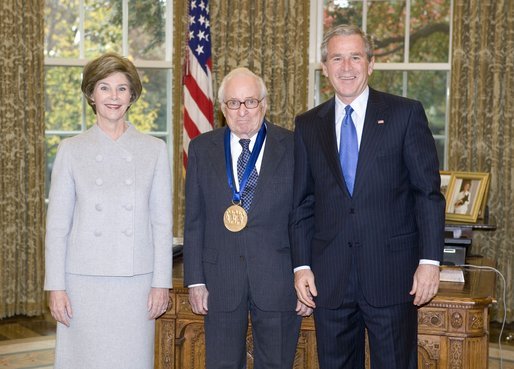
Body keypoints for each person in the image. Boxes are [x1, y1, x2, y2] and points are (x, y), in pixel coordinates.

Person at [290, 25, 445, 369]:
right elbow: (302, 204)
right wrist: (301, 266)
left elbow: (427, 194)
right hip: (329, 281)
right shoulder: (307, 125)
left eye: (355, 57)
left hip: (392, 277)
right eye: (337, 58)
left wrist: (430, 261)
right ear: (324, 67)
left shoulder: (405, 114)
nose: (346, 67)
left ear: (371, 64)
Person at [44, 52, 173, 369]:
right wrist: (56, 287)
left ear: (132, 96)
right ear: (91, 94)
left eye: (122, 88)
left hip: (136, 284)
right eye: (104, 87)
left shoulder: (154, 149)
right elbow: (57, 227)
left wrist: (161, 282)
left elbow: (161, 224)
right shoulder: (71, 150)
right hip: (82, 283)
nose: (113, 97)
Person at [184, 67, 312, 369]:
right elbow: (194, 219)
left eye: (250, 102)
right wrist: (195, 280)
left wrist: (305, 274)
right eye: (233, 103)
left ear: (264, 104)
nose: (242, 111)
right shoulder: (202, 148)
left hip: (280, 279)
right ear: (222, 108)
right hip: (220, 280)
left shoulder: (295, 147)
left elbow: (305, 217)